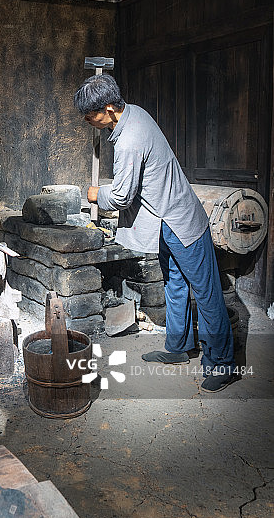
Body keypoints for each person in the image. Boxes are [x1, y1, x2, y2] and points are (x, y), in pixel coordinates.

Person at [74, 74, 235, 392]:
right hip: (164, 221)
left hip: (183, 222)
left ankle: (223, 364)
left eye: (90, 115)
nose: (87, 120)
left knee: (206, 293)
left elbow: (122, 197)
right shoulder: (133, 112)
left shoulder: (130, 140)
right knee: (175, 285)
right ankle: (179, 347)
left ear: (109, 109)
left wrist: (95, 194)